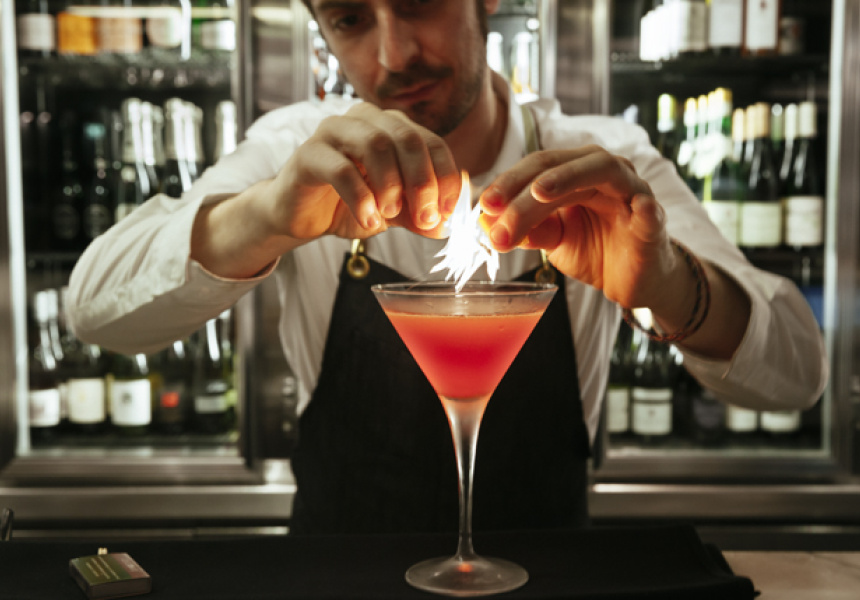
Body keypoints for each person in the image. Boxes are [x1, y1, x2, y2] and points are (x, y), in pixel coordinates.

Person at [66, 0, 827, 534]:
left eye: (419, 1)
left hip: (553, 578)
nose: (393, 55)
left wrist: (670, 286)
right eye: (349, 18)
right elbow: (93, 307)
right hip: (334, 577)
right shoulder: (295, 150)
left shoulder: (608, 165)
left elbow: (798, 373)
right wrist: (263, 216)